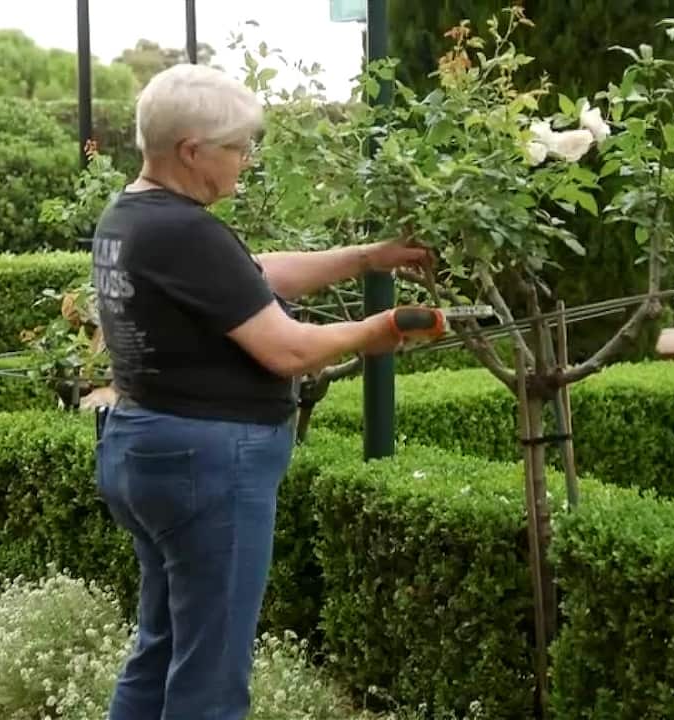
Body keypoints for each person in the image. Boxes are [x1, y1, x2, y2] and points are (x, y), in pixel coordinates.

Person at [91, 63, 437, 719]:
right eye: (238, 148)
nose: (245, 162)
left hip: (146, 444)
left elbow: (253, 274)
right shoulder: (184, 229)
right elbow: (286, 350)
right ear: (193, 151)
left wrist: (367, 256)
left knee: (162, 649)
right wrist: (379, 328)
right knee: (212, 674)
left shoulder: (131, 214)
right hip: (207, 464)